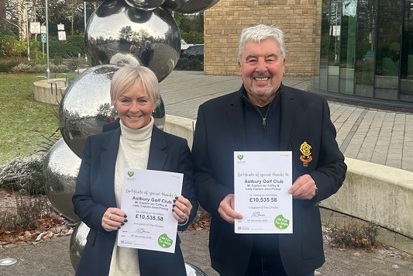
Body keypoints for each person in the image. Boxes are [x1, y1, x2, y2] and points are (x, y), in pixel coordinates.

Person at [191, 24, 347, 276]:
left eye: (270, 59)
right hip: (236, 250)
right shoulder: (212, 113)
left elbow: (335, 166)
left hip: (294, 252)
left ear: (283, 63)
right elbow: (200, 173)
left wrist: (315, 183)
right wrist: (218, 198)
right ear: (240, 64)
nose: (261, 68)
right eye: (252, 59)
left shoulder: (313, 108)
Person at [72, 65, 198, 276]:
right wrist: (100, 214)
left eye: (142, 100)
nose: (134, 109)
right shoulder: (96, 145)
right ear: (114, 102)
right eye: (125, 100)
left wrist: (185, 214)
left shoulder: (176, 148)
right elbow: (81, 199)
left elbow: (191, 203)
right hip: (105, 259)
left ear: (155, 102)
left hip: (158, 262)